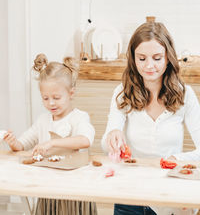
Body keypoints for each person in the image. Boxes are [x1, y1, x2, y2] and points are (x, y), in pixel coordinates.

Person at [101, 22, 200, 215]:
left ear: (168, 58)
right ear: (133, 59)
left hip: (170, 196)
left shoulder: (185, 95)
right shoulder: (122, 93)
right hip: (128, 194)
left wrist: (172, 160)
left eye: (156, 58)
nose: (149, 66)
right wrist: (113, 136)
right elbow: (106, 144)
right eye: (142, 58)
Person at [4, 53, 97, 215]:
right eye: (45, 98)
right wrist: (13, 142)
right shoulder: (43, 120)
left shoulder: (79, 117)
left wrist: (52, 143)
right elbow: (22, 145)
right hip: (48, 190)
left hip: (75, 191)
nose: (51, 103)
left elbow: (85, 140)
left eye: (56, 97)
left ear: (71, 93)